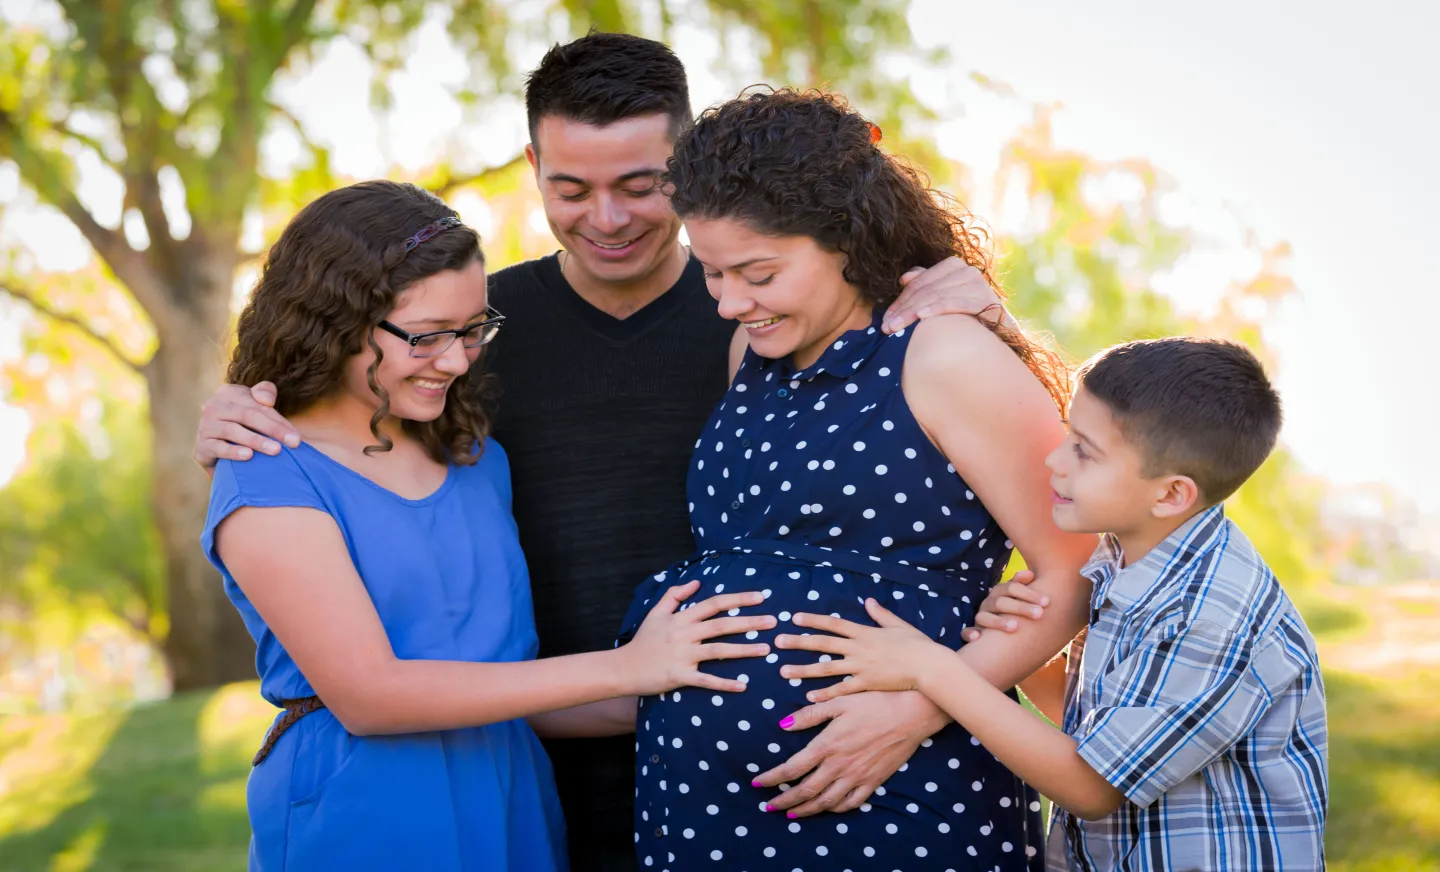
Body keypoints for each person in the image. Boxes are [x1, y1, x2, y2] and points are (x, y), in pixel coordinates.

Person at [190, 33, 1002, 871]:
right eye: (571, 188)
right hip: (533, 776)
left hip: (754, 777)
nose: (606, 219)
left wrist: (980, 307)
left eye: (640, 185)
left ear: (687, 172)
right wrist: (242, 408)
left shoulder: (769, 316)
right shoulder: (468, 337)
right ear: (533, 164)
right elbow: (338, 433)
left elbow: (951, 442)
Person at [203, 179, 778, 871]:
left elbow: (513, 688)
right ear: (332, 321)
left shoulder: (476, 460)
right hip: (370, 811)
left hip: (513, 798)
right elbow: (370, 697)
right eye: (426, 337)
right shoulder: (266, 469)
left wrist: (699, 684)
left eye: (474, 330)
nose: (456, 360)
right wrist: (627, 664)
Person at [612, 88, 1100, 869]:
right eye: (711, 274)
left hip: (898, 786)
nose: (732, 302)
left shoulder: (941, 353)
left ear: (843, 237)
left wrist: (918, 710)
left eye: (758, 273)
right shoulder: (755, 355)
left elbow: (1075, 568)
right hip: (702, 796)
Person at [778, 337, 1329, 871]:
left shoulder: (1213, 614)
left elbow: (1091, 786)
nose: (1054, 460)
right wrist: (1029, 658)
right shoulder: (1131, 556)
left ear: (1170, 494)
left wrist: (932, 668)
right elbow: (1098, 724)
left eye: (1084, 452)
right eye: (1069, 434)